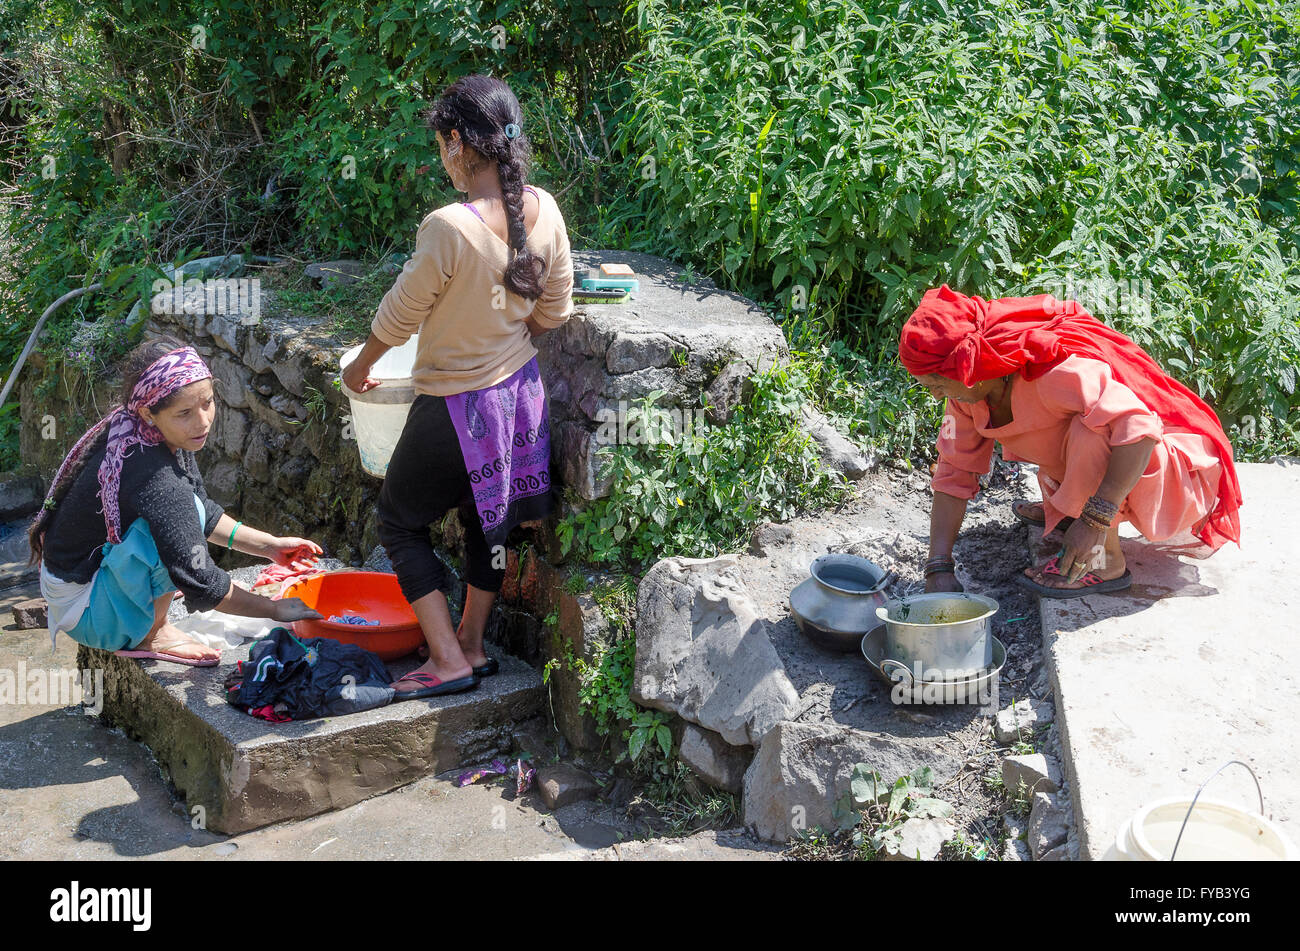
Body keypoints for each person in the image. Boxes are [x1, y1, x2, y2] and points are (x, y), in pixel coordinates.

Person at [342, 75, 574, 698]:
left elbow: (400, 313)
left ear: (454, 143)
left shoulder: (448, 226)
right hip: (519, 399)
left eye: (440, 145)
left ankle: (447, 658)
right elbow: (551, 314)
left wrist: (360, 365)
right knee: (485, 525)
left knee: (398, 521)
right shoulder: (545, 208)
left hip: (456, 407)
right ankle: (472, 642)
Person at [899, 285, 1242, 599]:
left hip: (1173, 472)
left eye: (937, 385)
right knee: (1083, 431)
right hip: (1123, 464)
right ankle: (1070, 509)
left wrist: (1093, 521)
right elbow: (953, 472)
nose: (933, 394)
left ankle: (1103, 560)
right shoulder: (965, 396)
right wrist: (938, 564)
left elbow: (1139, 431)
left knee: (1092, 430)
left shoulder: (1054, 373)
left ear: (969, 369)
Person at [30, 336, 324, 664]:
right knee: (172, 528)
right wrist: (273, 608)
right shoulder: (151, 472)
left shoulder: (142, 431)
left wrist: (269, 546)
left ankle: (144, 618)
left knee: (185, 512)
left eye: (207, 403)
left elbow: (202, 509)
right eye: (184, 412)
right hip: (87, 611)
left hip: (78, 586)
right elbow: (199, 578)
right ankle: (152, 632)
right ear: (149, 412)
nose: (202, 422)